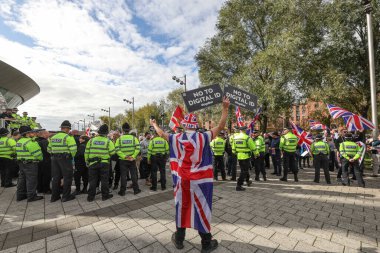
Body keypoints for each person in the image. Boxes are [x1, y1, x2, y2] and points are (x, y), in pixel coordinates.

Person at [150, 97, 230, 253]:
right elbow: (221, 126)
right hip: (201, 180)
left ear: (184, 125)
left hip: (183, 180)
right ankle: (206, 243)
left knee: (182, 207)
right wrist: (225, 108)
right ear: (196, 126)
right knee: (202, 209)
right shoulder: (204, 137)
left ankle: (179, 239)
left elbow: (161, 134)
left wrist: (154, 124)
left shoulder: (176, 137)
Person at [48, 120, 77, 202]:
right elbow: (73, 149)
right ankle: (65, 196)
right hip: (65, 159)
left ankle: (54, 197)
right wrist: (70, 157)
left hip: (54, 159)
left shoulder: (53, 137)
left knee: (56, 178)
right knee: (67, 177)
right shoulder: (68, 137)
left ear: (61, 128)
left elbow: (49, 149)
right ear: (67, 129)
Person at [85, 124, 115, 201]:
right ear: (106, 133)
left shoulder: (91, 140)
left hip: (92, 163)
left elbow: (86, 152)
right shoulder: (108, 141)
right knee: (104, 180)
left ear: (98, 132)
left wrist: (87, 161)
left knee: (92, 180)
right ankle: (105, 196)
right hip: (104, 163)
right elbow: (112, 153)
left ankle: (90, 197)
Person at [16, 126, 43, 202]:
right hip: (30, 164)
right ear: (27, 134)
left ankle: (20, 196)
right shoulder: (30, 142)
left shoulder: (19, 142)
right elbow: (38, 154)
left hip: (21, 163)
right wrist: (41, 159)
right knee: (31, 180)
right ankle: (31, 196)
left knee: (22, 180)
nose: (33, 133)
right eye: (32, 132)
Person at [115, 122, 141, 196]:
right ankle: (136, 190)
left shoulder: (119, 139)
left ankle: (122, 191)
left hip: (123, 160)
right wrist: (133, 156)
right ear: (129, 130)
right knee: (133, 175)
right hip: (132, 160)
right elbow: (138, 148)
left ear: (122, 130)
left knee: (123, 176)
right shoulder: (134, 138)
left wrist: (124, 156)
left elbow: (117, 149)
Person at [232, 125, 257, 191]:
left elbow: (233, 149)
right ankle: (239, 185)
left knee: (245, 169)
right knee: (244, 171)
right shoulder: (247, 138)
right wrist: (256, 153)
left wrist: (237, 152)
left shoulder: (235, 138)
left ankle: (248, 181)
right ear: (245, 130)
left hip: (239, 156)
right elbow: (253, 147)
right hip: (246, 156)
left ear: (240, 130)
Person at [36, 129, 52, 193]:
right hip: (46, 161)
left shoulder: (36, 140)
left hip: (38, 161)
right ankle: (46, 189)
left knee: (39, 176)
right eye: (48, 134)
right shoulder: (44, 141)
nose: (49, 135)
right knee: (46, 176)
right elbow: (48, 151)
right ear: (44, 134)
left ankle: (39, 189)